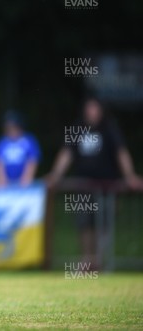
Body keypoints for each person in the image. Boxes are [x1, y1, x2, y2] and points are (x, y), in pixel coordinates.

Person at [47, 97, 143, 269]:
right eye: (89, 108)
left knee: (104, 223)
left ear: (101, 110)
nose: (91, 112)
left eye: (95, 108)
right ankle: (87, 260)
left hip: (107, 186)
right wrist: (55, 175)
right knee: (85, 224)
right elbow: (66, 153)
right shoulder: (77, 128)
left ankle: (98, 260)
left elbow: (121, 153)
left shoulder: (109, 129)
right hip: (83, 185)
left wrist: (129, 175)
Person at [0, 110, 41, 187]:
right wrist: (0, 180)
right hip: (5, 185)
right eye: (8, 128)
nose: (11, 130)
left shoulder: (29, 141)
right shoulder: (2, 142)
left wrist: (26, 179)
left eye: (13, 127)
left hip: (24, 183)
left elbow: (32, 160)